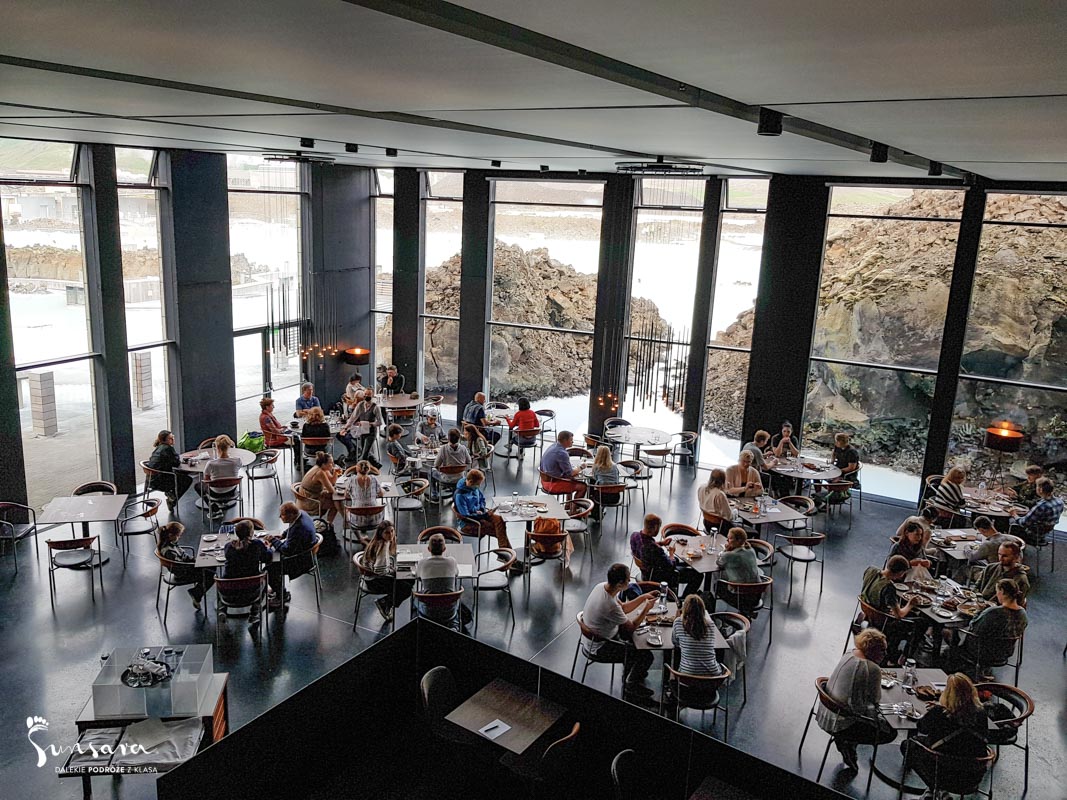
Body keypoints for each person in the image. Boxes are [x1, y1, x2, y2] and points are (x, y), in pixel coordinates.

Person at [816, 629, 897, 771]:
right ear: (871, 649)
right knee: (890, 732)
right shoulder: (873, 669)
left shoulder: (850, 653)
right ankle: (848, 741)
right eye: (882, 650)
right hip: (842, 722)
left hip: (826, 711)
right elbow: (876, 699)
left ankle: (849, 743)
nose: (885, 654)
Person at [901, 673, 989, 799]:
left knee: (908, 745)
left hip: (941, 773)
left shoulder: (939, 713)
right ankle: (939, 792)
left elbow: (922, 728)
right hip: (972, 776)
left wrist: (935, 710)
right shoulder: (981, 713)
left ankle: (935, 788)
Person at [581, 563, 660, 701]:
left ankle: (631, 673)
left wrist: (643, 598)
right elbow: (631, 628)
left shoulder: (601, 587)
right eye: (628, 580)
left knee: (633, 643)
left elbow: (623, 608)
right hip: (601, 647)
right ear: (619, 584)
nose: (630, 581)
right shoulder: (610, 605)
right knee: (646, 656)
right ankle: (631, 685)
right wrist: (646, 609)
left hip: (593, 638)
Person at [953, 579, 1028, 675]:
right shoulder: (1023, 614)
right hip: (1004, 653)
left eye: (997, 592)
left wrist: (980, 612)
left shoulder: (993, 612)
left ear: (1002, 591)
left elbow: (974, 627)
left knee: (952, 631)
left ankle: (952, 663)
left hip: (981, 652)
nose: (996, 595)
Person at [628, 513, 702, 597]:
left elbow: (646, 545)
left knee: (682, 563)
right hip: (658, 577)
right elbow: (671, 566)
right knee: (697, 575)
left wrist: (661, 543)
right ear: (655, 528)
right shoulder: (655, 549)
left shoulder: (634, 536)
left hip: (645, 572)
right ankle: (685, 598)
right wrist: (671, 553)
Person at [860, 555, 918, 659]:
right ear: (900, 573)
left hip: (869, 612)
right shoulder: (888, 587)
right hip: (882, 622)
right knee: (920, 622)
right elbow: (899, 615)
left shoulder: (871, 570)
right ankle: (901, 656)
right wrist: (910, 604)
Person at [264, 502, 316, 608]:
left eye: (282, 514)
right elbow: (292, 527)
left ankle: (282, 595)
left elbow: (286, 551)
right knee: (272, 559)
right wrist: (283, 535)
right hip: (305, 553)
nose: (279, 517)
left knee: (269, 569)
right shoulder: (301, 514)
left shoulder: (299, 528)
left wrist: (273, 540)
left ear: (291, 514)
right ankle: (277, 588)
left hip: (300, 561)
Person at [222, 519, 272, 628]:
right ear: (251, 533)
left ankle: (222, 610)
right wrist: (268, 548)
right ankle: (254, 612)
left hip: (228, 592)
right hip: (251, 591)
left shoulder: (228, 546)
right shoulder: (257, 545)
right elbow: (268, 558)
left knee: (223, 579)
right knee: (264, 577)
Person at [361, 520, 412, 622]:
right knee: (407, 588)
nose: (391, 535)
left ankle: (387, 603)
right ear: (381, 533)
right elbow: (379, 570)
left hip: (370, 576)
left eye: (392, 531)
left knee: (409, 579)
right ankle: (385, 603)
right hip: (374, 580)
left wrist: (393, 570)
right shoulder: (382, 546)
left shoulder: (381, 542)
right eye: (387, 532)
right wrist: (393, 572)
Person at [453, 468, 512, 551]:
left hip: (480, 515)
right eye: (478, 484)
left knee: (499, 520)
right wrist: (484, 515)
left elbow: (482, 499)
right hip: (468, 523)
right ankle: (507, 553)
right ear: (470, 482)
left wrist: (481, 509)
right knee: (498, 530)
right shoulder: (460, 495)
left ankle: (506, 552)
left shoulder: (473, 487)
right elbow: (465, 516)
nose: (479, 486)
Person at [158, 521, 212, 609]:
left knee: (210, 567)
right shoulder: (169, 551)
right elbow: (179, 566)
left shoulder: (171, 544)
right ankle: (196, 594)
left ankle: (197, 593)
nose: (179, 537)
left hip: (185, 568)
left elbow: (184, 556)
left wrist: (195, 560)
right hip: (182, 573)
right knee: (211, 574)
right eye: (178, 535)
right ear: (171, 535)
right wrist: (195, 564)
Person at [413, 532, 462, 627]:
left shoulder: (422, 563)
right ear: (444, 549)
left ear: (428, 549)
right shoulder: (452, 561)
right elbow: (456, 574)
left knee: (415, 600)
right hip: (449, 611)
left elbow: (418, 576)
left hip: (429, 612)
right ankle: (454, 627)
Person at [671, 594, 724, 677]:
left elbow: (675, 642)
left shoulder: (678, 623)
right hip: (713, 677)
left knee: (678, 652)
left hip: (687, 676)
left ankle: (672, 680)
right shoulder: (710, 624)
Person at [716, 527, 764, 613]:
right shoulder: (751, 550)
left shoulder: (729, 555)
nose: (727, 540)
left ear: (738, 541)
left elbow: (719, 562)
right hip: (756, 595)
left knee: (717, 583)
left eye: (730, 538)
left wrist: (725, 550)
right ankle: (747, 613)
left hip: (740, 598)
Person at [196, 435, 243, 518]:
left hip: (215, 493)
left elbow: (206, 480)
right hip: (231, 491)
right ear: (229, 446)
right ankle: (222, 503)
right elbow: (238, 468)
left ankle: (215, 509)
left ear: (216, 447)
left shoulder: (211, 464)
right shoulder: (237, 461)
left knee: (198, 486)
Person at [145, 429, 192, 511]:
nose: (173, 439)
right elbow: (176, 463)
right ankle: (172, 499)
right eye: (170, 438)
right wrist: (181, 459)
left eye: (173, 437)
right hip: (161, 481)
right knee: (187, 480)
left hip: (151, 480)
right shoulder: (168, 448)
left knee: (181, 475)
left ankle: (171, 494)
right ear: (165, 440)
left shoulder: (158, 448)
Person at [337, 388, 384, 468]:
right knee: (364, 452)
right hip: (362, 431)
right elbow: (353, 418)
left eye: (368, 395)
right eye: (365, 395)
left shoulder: (376, 407)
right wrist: (345, 428)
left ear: (372, 395)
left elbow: (380, 422)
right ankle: (375, 464)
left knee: (364, 456)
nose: (366, 396)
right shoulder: (360, 405)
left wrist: (370, 424)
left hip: (371, 432)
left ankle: (360, 470)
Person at [1009, 477, 1063, 546]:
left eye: (1036, 487)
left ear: (1040, 490)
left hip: (1032, 535)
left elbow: (1023, 523)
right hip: (1044, 534)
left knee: (1007, 522)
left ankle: (1010, 546)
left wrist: (1014, 514)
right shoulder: (1060, 502)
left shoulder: (1041, 506)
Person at [813, 433, 860, 510]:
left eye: (837, 441)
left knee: (833, 481)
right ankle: (818, 497)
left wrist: (839, 471)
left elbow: (851, 468)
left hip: (847, 474)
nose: (835, 443)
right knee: (817, 475)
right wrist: (832, 462)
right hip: (837, 470)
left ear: (841, 442)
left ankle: (828, 503)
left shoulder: (852, 452)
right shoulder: (838, 447)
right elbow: (834, 453)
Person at [298, 451, 343, 528]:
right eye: (330, 463)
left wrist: (335, 473)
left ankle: (331, 523)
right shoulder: (320, 473)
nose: (333, 465)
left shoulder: (321, 468)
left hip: (311, 495)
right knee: (336, 502)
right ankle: (330, 524)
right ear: (324, 464)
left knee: (335, 499)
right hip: (310, 500)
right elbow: (332, 490)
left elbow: (332, 481)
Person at [539, 430, 586, 499]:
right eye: (571, 440)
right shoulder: (562, 453)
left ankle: (568, 504)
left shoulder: (553, 446)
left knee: (571, 479)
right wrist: (581, 467)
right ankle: (574, 506)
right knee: (583, 486)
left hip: (544, 480)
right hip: (552, 484)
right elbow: (571, 473)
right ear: (565, 441)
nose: (572, 442)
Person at [431, 428, 471, 499]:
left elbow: (436, 465)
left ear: (448, 438)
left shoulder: (443, 448)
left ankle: (435, 494)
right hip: (460, 477)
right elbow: (469, 462)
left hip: (446, 478)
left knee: (431, 471)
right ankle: (452, 490)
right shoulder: (463, 448)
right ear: (459, 438)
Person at [344, 460, 384, 529]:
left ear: (357, 469)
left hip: (357, 520)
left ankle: (351, 532)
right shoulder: (374, 479)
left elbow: (346, 496)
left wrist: (354, 497)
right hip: (375, 520)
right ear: (369, 469)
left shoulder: (352, 480)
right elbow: (381, 494)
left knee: (346, 510)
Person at [697, 468, 732, 533]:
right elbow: (729, 516)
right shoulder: (719, 494)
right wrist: (735, 511)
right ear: (723, 480)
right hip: (720, 527)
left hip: (706, 522)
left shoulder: (701, 487)